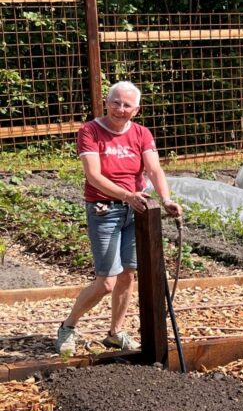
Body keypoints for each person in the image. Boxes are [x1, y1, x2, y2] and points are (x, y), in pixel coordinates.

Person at [55, 81, 182, 356]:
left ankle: (115, 333)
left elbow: (154, 169)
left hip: (135, 209)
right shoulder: (90, 130)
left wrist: (166, 198)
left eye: (127, 105)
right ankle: (68, 326)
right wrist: (126, 196)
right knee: (107, 281)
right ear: (107, 102)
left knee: (127, 275)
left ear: (136, 109)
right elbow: (94, 176)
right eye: (115, 102)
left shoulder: (141, 133)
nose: (120, 109)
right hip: (105, 209)